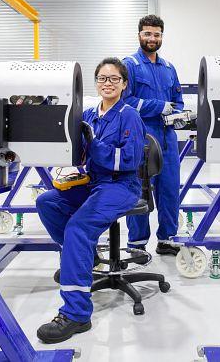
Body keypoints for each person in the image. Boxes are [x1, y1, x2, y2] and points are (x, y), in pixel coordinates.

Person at [36, 57, 146, 344]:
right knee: (48, 202)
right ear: (96, 83)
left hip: (121, 185)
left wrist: (94, 145)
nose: (107, 84)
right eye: (102, 78)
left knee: (78, 229)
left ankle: (76, 314)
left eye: (114, 79)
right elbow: (77, 151)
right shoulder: (87, 114)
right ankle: (86, 257)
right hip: (93, 182)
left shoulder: (129, 115)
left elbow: (129, 159)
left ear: (124, 84)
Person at [123, 14, 184, 256]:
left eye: (156, 34)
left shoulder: (169, 68)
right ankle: (137, 244)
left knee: (169, 189)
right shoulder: (129, 65)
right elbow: (126, 99)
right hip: (141, 137)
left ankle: (167, 238)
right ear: (139, 35)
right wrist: (159, 107)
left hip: (168, 136)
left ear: (162, 37)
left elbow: (177, 100)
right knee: (139, 190)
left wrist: (177, 113)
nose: (152, 38)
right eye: (147, 33)